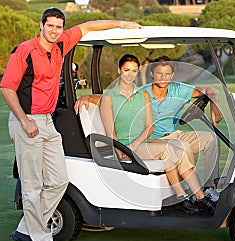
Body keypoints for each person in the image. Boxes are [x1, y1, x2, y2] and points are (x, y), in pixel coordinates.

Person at [0, 8, 141, 241]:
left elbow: (88, 26)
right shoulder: (25, 50)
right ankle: (41, 239)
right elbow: (7, 87)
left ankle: (25, 229)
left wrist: (121, 22)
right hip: (28, 122)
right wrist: (24, 121)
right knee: (32, 185)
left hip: (47, 121)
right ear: (41, 25)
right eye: (50, 26)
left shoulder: (60, 45)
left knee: (58, 181)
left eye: (58, 26)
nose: (54, 30)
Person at [82, 54, 216, 214]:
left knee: (187, 144)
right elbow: (110, 127)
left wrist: (136, 143)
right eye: (126, 70)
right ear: (119, 70)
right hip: (125, 147)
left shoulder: (141, 95)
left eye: (133, 71)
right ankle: (189, 197)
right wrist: (86, 97)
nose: (129, 75)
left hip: (142, 143)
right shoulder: (111, 97)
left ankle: (201, 193)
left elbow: (149, 126)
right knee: (175, 148)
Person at [140, 56, 222, 199]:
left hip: (174, 135)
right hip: (152, 140)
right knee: (181, 146)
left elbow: (212, 90)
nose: (163, 78)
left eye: (167, 74)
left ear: (172, 75)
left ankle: (209, 187)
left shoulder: (178, 90)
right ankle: (194, 193)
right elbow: (116, 99)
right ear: (152, 73)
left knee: (211, 139)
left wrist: (214, 106)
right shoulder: (142, 93)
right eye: (159, 73)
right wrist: (89, 98)